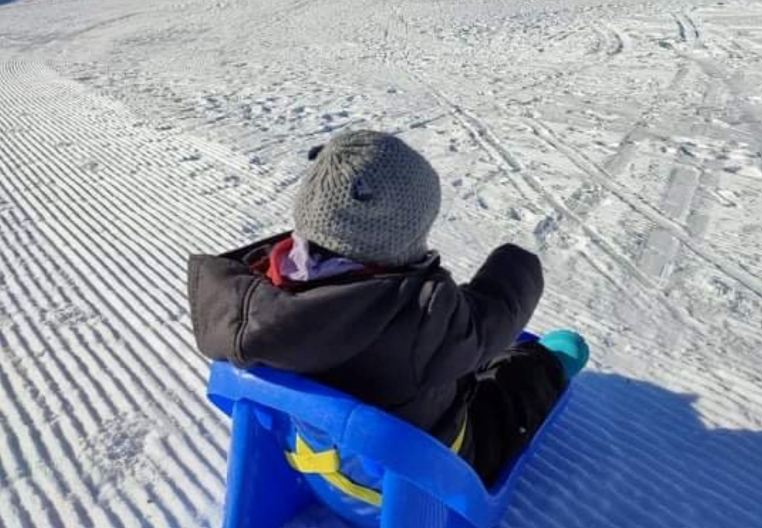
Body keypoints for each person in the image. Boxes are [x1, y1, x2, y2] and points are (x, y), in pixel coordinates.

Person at [187, 130, 588, 485]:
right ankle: (548, 363)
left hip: (319, 463)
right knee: (518, 379)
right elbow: (491, 324)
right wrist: (516, 263)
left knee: (446, 368)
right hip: (412, 478)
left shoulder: (250, 298)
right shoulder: (422, 318)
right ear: (395, 238)